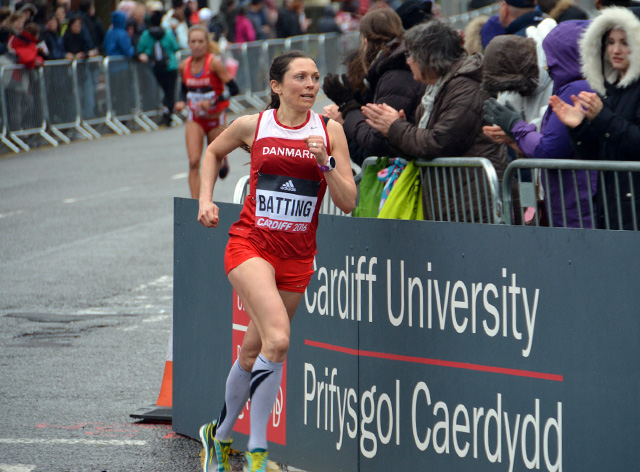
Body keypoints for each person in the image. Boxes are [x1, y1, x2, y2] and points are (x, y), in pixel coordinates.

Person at [196, 50, 356, 472]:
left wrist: (325, 162)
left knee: (254, 351)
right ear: (276, 86)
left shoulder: (329, 130)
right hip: (250, 245)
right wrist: (206, 200)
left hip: (298, 257)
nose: (310, 84)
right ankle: (258, 454)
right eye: (300, 77)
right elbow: (213, 153)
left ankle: (219, 435)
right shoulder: (255, 124)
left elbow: (349, 201)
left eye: (315, 77)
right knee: (280, 341)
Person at [362, 20, 508, 222]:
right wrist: (393, 131)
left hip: (472, 204)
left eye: (411, 55)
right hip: (453, 200)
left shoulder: (466, 87)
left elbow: (439, 143)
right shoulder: (439, 88)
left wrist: (397, 127)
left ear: (428, 58)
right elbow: (423, 148)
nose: (408, 61)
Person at [483, 21, 598, 228]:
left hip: (578, 203)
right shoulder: (573, 86)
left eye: (551, 57)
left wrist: (516, 126)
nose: (547, 65)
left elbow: (549, 149)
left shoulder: (578, 89)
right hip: (570, 199)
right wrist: (514, 134)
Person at [550, 7, 640, 230]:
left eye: (625, 42)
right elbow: (598, 155)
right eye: (610, 42)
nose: (616, 50)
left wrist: (602, 117)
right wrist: (579, 127)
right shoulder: (608, 89)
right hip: (613, 209)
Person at [322, 8, 425, 165]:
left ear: (364, 40)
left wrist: (347, 109)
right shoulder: (389, 70)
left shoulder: (395, 75)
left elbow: (375, 144)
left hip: (404, 173)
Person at [175, 25, 239, 198]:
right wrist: (180, 101)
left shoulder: (214, 63)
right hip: (195, 118)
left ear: (206, 43)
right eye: (193, 42)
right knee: (194, 161)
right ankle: (196, 203)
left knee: (216, 163)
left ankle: (223, 159)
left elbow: (233, 89)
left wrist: (211, 101)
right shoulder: (184, 66)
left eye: (200, 41)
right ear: (188, 44)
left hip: (215, 119)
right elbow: (183, 89)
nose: (197, 45)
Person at [137, 9, 181, 126]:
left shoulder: (146, 34)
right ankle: (168, 114)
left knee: (164, 90)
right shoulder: (167, 32)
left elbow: (141, 48)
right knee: (170, 92)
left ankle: (166, 112)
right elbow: (175, 46)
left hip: (156, 67)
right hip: (171, 65)